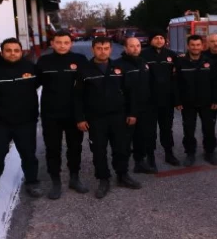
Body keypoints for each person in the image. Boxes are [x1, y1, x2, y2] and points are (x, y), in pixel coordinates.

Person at [74, 37, 141, 199]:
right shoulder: (84, 70)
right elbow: (77, 97)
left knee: (121, 148)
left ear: (110, 49)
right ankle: (103, 179)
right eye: (99, 48)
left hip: (119, 116)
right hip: (96, 119)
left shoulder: (119, 67)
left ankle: (122, 175)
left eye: (105, 48)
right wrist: (80, 118)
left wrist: (132, 113)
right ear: (93, 49)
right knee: (98, 150)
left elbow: (130, 92)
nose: (102, 51)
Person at [36, 30, 89, 200]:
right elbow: (32, 84)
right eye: (58, 42)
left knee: (75, 147)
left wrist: (84, 114)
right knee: (53, 149)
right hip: (51, 114)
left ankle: (74, 178)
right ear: (52, 43)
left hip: (74, 114)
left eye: (66, 42)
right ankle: (56, 181)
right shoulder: (43, 61)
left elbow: (87, 87)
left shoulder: (80, 60)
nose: (62, 46)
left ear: (71, 43)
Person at [0, 39, 42, 198]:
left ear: (21, 51)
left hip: (26, 121)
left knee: (28, 154)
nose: (12, 53)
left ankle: (32, 182)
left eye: (16, 50)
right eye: (8, 50)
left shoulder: (31, 68)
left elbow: (38, 84)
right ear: (2, 52)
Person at [175, 35, 217, 166]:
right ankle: (190, 153)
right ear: (188, 46)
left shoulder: (209, 62)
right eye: (192, 45)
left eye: (198, 45)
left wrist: (215, 100)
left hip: (207, 103)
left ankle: (210, 152)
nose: (195, 47)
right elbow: (176, 83)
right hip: (188, 103)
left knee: (209, 129)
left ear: (202, 46)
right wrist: (177, 101)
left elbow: (215, 83)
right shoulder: (180, 62)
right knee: (188, 130)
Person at [140, 30, 181, 167]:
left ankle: (169, 154)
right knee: (149, 130)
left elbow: (176, 79)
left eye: (161, 38)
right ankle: (150, 157)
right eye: (156, 38)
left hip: (166, 100)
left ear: (165, 40)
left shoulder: (171, 55)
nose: (159, 40)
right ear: (151, 40)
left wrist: (176, 100)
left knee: (167, 129)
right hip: (149, 101)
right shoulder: (143, 55)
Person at [117, 37, 157, 174]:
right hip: (127, 110)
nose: (135, 49)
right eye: (132, 46)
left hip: (144, 108)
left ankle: (139, 163)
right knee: (125, 141)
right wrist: (129, 112)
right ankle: (122, 171)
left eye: (138, 46)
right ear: (125, 48)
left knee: (141, 137)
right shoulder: (118, 65)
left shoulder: (143, 63)